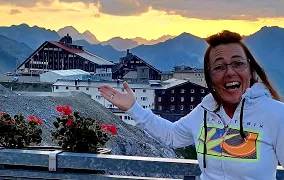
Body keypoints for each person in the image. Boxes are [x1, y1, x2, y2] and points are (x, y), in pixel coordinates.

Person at [99, 30, 284, 180]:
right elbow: (172, 135)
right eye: (219, 67)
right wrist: (133, 108)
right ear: (210, 77)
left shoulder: (276, 114)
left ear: (251, 71)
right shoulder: (206, 110)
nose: (229, 72)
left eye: (238, 63)